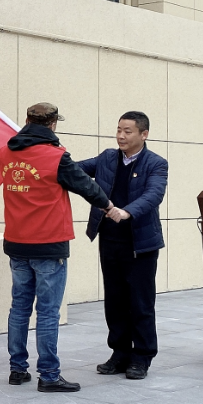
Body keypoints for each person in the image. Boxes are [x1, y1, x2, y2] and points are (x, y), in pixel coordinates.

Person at [0, 103, 112, 394]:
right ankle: (49, 375)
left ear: (27, 120)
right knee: (48, 312)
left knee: (19, 307)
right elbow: (85, 186)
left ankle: (17, 369)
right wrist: (108, 206)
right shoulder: (56, 157)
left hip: (17, 243)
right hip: (48, 244)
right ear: (52, 125)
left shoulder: (5, 153)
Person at [79, 111, 168, 380]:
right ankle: (119, 353)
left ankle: (141, 357)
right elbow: (75, 170)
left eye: (127, 131)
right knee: (115, 301)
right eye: (119, 130)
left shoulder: (156, 163)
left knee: (140, 302)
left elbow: (154, 194)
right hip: (110, 240)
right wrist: (50, 156)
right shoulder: (107, 158)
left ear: (144, 134)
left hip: (140, 243)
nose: (121, 136)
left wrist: (127, 211)